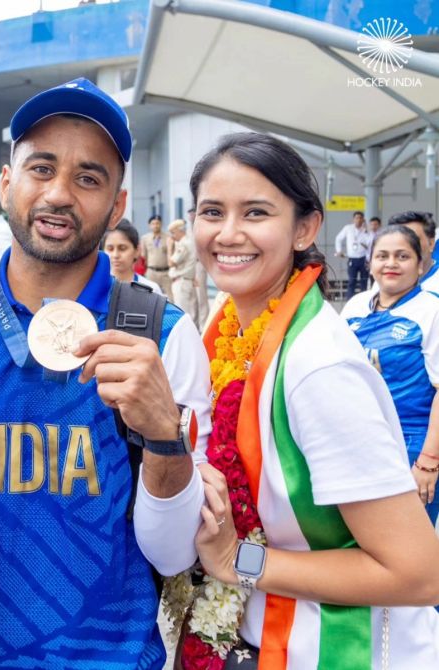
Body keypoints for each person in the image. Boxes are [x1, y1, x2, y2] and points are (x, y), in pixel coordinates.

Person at [0, 78, 212, 669]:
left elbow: (175, 554)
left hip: (111, 655)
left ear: (118, 204)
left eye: (89, 178)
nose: (59, 194)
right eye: (41, 168)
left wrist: (162, 437)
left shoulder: (163, 334)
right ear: (6, 183)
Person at [165, 132, 439, 669]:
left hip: (341, 651)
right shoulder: (229, 337)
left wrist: (234, 560)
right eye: (212, 211)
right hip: (268, 642)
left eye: (257, 212)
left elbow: (418, 571)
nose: (228, 233)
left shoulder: (315, 365)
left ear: (306, 228)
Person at [341, 226, 439, 526]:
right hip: (358, 442)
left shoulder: (431, 311)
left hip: (412, 446)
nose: (391, 263)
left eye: (403, 256)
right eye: (382, 255)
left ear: (421, 265)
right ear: (369, 263)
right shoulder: (355, 306)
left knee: (407, 545)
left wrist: (428, 463)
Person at [103, 218, 163, 293]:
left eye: (122, 248)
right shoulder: (94, 288)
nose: (115, 255)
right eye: (110, 249)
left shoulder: (151, 289)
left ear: (137, 250)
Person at [387, 211, 439, 295]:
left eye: (413, 239)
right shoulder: (384, 279)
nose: (404, 246)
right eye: (398, 240)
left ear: (431, 243)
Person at [167, 219, 198, 324]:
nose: (172, 236)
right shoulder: (188, 242)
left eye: (173, 232)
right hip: (186, 280)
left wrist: (169, 248)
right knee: (189, 313)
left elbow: (171, 262)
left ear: (180, 231)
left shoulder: (183, 244)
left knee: (181, 314)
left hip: (181, 281)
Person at [335, 210, 369, 299]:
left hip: (363, 258)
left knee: (364, 281)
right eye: (356, 218)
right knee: (352, 281)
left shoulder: (366, 230)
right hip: (352, 258)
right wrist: (339, 250)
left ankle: (364, 300)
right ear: (353, 219)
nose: (358, 220)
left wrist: (366, 230)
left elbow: (369, 243)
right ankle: (349, 300)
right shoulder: (348, 228)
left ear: (363, 220)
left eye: (360, 218)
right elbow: (338, 238)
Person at [140, 215, 174, 299]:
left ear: (161, 224)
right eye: (153, 223)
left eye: (157, 223)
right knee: (150, 295)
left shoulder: (168, 238)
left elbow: (172, 254)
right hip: (151, 272)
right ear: (149, 225)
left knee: (171, 296)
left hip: (166, 272)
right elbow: (143, 255)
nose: (155, 225)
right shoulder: (145, 238)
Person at [187, 206, 210, 331]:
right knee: (193, 298)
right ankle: (194, 325)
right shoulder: (188, 230)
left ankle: (204, 325)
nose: (191, 216)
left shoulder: (201, 229)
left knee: (201, 296)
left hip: (199, 265)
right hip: (189, 266)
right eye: (189, 214)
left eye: (192, 214)